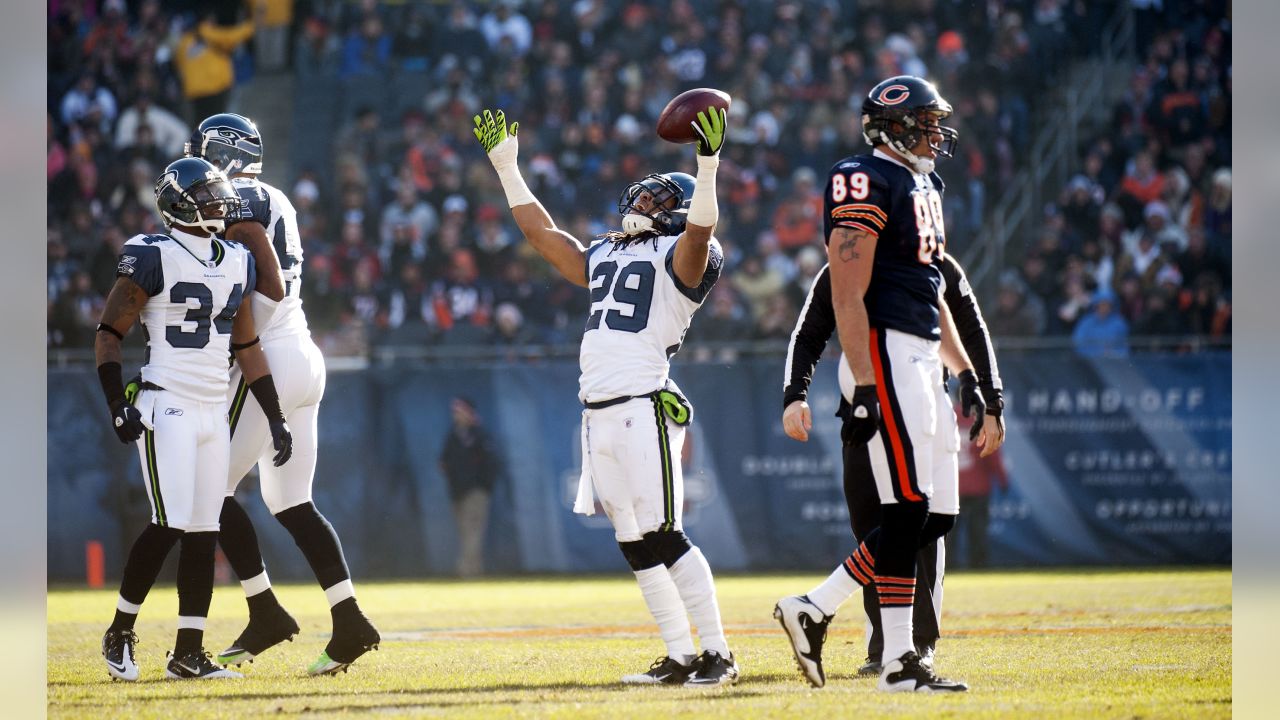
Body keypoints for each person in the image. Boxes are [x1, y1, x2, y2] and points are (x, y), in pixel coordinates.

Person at [473, 104, 738, 686]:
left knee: (666, 533)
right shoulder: (606, 252)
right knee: (633, 541)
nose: (641, 204)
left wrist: (708, 166)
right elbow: (544, 236)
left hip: (645, 405)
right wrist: (507, 170)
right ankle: (677, 654)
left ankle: (717, 652)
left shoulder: (684, 255)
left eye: (656, 200)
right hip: (598, 412)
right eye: (642, 197)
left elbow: (700, 235)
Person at [772, 76, 984, 694]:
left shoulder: (923, 185)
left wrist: (964, 368)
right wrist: (864, 382)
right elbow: (844, 288)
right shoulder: (863, 176)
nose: (934, 133)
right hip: (886, 353)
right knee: (907, 508)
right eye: (923, 122)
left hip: (921, 355)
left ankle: (816, 606)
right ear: (890, 126)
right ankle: (898, 661)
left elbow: (933, 295)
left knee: (933, 516)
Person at [184, 113, 380, 676]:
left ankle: (264, 607)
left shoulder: (234, 200)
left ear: (218, 154)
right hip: (302, 352)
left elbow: (229, 283)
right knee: (292, 503)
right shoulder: (276, 198)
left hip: (266, 354)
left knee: (208, 485)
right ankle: (350, 622)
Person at [97, 157, 293, 681]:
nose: (219, 201)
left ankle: (189, 651)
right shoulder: (151, 254)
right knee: (170, 521)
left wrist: (275, 417)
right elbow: (109, 333)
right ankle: (119, 630)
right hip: (168, 400)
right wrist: (118, 403)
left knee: (205, 531)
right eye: (207, 193)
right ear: (178, 201)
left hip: (212, 406)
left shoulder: (235, 257)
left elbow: (247, 343)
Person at [775, 252, 1006, 685]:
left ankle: (909, 643)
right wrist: (794, 393)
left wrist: (985, 391)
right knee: (878, 527)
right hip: (868, 407)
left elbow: (969, 327)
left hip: (923, 401)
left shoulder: (935, 262)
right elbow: (809, 332)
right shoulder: (847, 261)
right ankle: (886, 646)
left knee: (927, 522)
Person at [439, 396, 502, 577]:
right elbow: (443, 461)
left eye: (459, 411)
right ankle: (475, 570)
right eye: (454, 411)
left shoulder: (479, 435)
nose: (456, 415)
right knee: (467, 532)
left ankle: (465, 570)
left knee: (472, 531)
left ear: (468, 412)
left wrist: (483, 486)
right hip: (457, 492)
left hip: (476, 492)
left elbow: (491, 463)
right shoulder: (453, 435)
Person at [955, 410, 1009, 568]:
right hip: (978, 487)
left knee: (947, 533)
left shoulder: (946, 416)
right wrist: (1003, 480)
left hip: (952, 487)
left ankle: (946, 565)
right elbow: (992, 454)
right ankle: (978, 565)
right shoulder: (982, 419)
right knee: (978, 530)